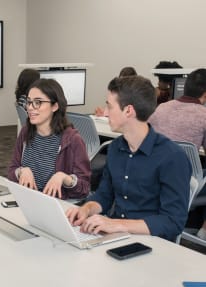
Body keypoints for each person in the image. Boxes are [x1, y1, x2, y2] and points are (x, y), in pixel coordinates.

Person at [66, 75, 192, 241]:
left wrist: (117, 224)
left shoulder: (172, 157)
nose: (106, 112)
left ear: (128, 111)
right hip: (117, 236)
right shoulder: (115, 148)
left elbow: (173, 222)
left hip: (152, 243)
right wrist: (86, 209)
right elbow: (104, 196)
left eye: (109, 106)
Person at [8, 78, 91, 200]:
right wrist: (21, 171)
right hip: (27, 200)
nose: (30, 107)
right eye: (29, 102)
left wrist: (64, 178)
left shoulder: (72, 140)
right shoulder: (25, 132)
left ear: (55, 106)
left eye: (38, 102)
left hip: (55, 205)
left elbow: (84, 189)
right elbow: (11, 171)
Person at [149, 68, 206, 240]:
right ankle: (204, 232)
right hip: (184, 182)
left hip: (153, 176)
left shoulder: (161, 108)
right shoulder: (203, 115)